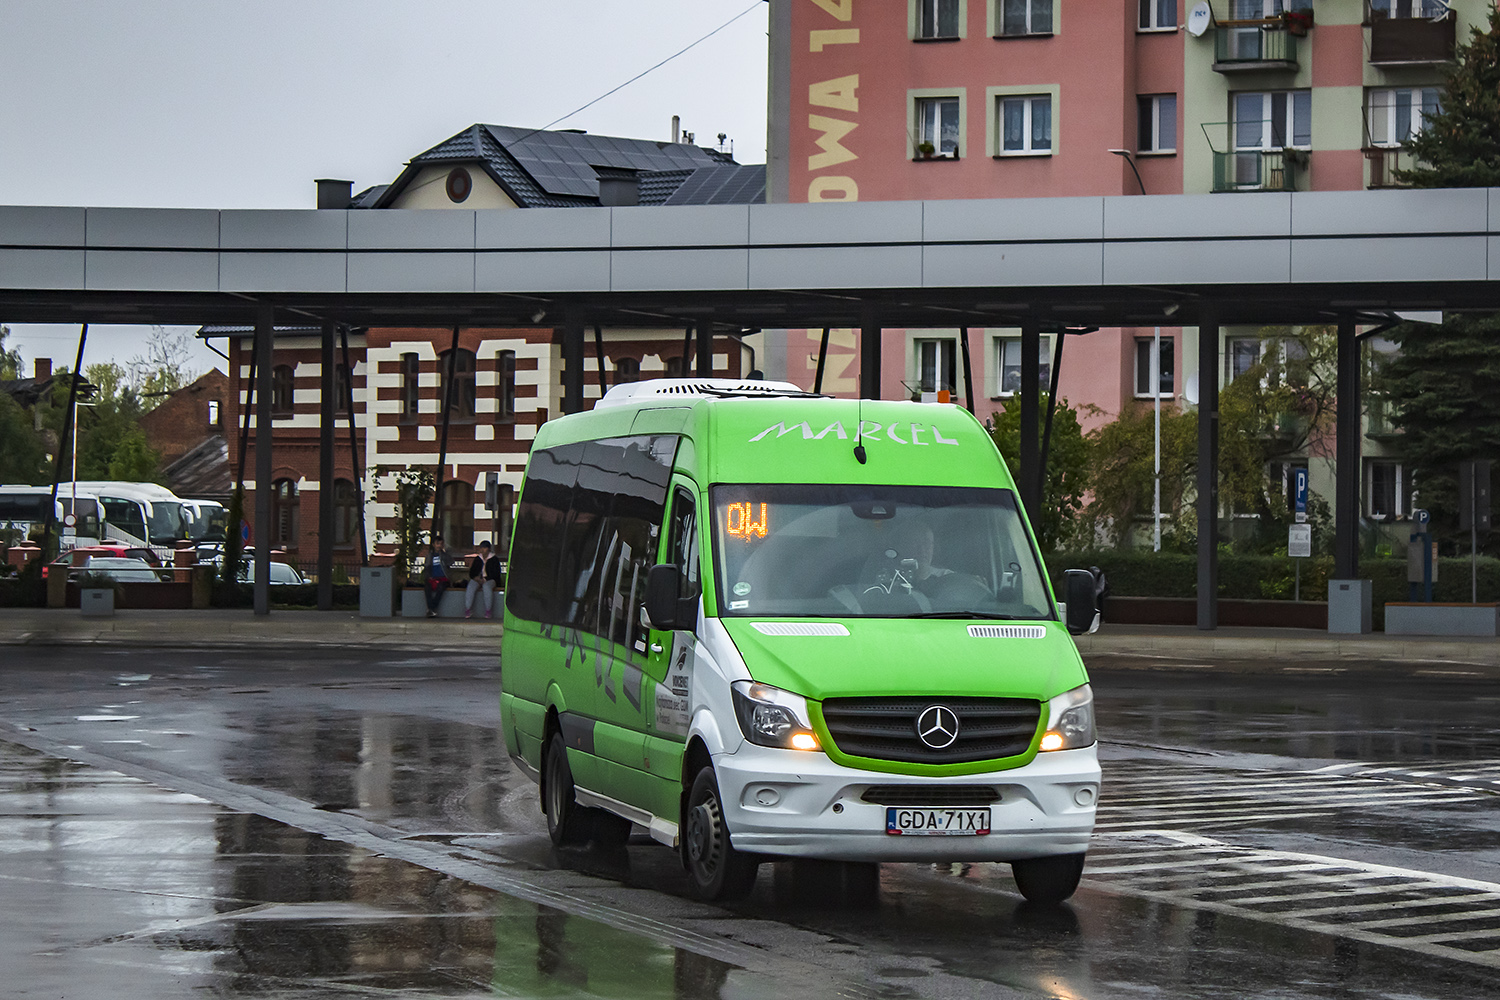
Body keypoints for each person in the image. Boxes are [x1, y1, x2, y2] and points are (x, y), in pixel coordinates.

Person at [465, 540, 499, 619]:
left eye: (484, 548)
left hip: (490, 580)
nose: (482, 550)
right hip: (478, 579)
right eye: (481, 548)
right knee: (471, 586)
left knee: (486, 587)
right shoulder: (478, 559)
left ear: (488, 549)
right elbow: (472, 572)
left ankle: (488, 610)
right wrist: (476, 578)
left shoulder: (494, 559)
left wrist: (485, 579)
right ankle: (468, 609)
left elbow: (496, 574)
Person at [424, 535, 450, 618]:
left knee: (440, 588)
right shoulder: (430, 556)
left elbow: (450, 562)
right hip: (433, 578)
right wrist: (429, 576)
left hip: (443, 578)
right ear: (433, 545)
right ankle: (431, 609)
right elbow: (427, 567)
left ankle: (431, 608)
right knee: (427, 588)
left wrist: (445, 553)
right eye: (437, 543)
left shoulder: (444, 555)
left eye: (441, 544)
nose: (439, 546)